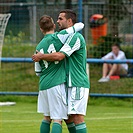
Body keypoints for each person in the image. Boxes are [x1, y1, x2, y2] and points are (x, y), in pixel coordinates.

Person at [32, 9, 90, 133]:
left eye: (60, 19)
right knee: (67, 118)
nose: (58, 21)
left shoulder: (76, 37)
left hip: (76, 82)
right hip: (65, 82)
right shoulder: (62, 37)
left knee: (77, 117)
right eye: (57, 19)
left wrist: (41, 56)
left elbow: (59, 56)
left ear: (69, 21)